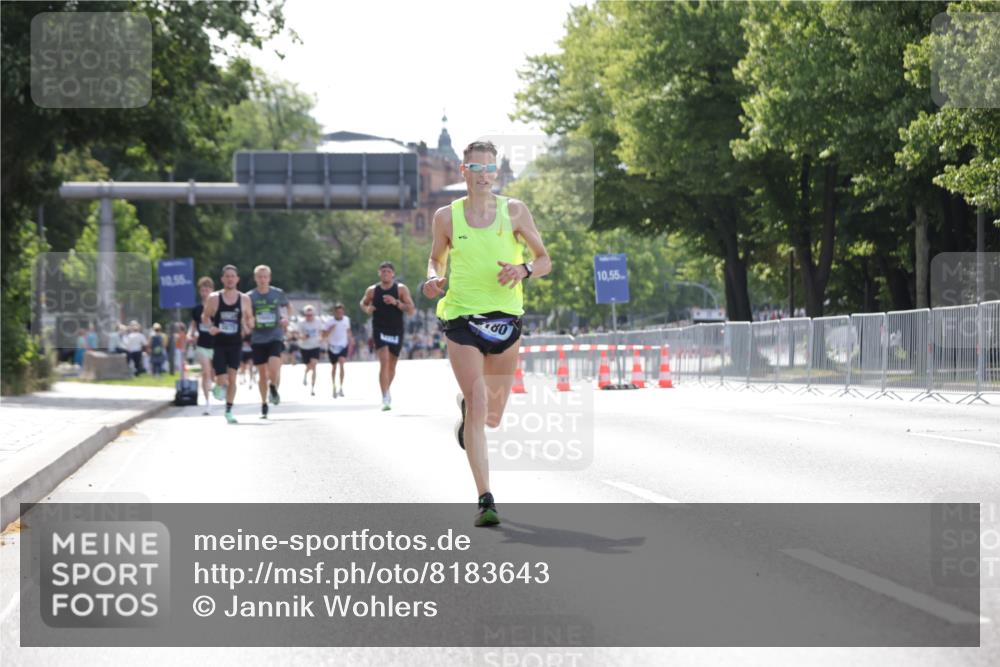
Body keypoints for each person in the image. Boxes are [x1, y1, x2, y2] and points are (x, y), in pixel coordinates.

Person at [423, 139, 551, 527]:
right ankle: (485, 499)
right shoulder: (446, 216)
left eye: (488, 168)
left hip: (505, 319)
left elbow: (544, 260)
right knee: (480, 403)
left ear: (496, 172)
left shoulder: (514, 211)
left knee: (492, 416)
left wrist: (523, 270)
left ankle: (468, 409)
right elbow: (434, 257)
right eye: (474, 168)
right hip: (462, 317)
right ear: (463, 171)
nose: (482, 175)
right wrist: (432, 278)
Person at [360, 261, 415, 410]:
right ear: (379, 273)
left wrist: (396, 302)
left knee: (392, 364)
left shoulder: (401, 289)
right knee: (384, 361)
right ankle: (385, 396)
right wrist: (367, 308)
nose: (385, 274)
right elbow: (363, 303)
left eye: (388, 271)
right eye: (383, 271)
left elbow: (411, 309)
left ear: (393, 274)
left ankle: (387, 389)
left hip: (396, 329)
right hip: (379, 328)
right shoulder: (372, 290)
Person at [202, 264, 254, 424]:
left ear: (237, 279)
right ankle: (218, 385)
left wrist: (248, 324)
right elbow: (205, 317)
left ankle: (229, 410)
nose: (230, 279)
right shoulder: (214, 298)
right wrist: (211, 327)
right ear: (222, 279)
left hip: (235, 343)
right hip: (219, 343)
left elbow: (250, 319)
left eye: (233, 276)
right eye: (227, 276)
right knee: (222, 379)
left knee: (233, 378)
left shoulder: (244, 299)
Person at [247, 264, 292, 419]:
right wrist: (249, 321)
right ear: (255, 278)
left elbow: (288, 307)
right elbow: (246, 314)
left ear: (269, 278)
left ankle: (273, 386)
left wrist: (287, 318)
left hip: (275, 335)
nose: (262, 279)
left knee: (274, 367)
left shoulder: (277, 293)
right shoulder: (250, 296)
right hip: (258, 337)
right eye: (260, 277)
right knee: (262, 374)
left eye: (265, 276)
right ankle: (264, 404)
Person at [190, 276, 216, 414]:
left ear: (212, 291)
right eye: (203, 290)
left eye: (207, 290)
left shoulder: (216, 308)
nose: (205, 292)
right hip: (202, 345)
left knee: (215, 374)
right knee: (206, 372)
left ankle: (216, 388)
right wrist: (191, 334)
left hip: (217, 345)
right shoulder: (197, 309)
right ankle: (207, 403)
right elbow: (194, 325)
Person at [322, 302, 354, 398]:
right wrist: (330, 329)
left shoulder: (346, 320)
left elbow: (348, 330)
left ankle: (341, 387)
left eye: (341, 312)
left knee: (342, 364)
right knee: (334, 367)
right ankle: (334, 386)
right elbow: (323, 335)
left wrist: (351, 339)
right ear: (334, 312)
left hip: (343, 345)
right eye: (337, 312)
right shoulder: (329, 321)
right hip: (332, 346)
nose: (340, 314)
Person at [297, 305, 324, 396]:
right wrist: (302, 337)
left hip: (315, 345)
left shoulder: (318, 321)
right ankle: (305, 374)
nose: (309, 317)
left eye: (311, 315)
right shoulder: (301, 322)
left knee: (314, 365)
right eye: (307, 315)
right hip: (304, 347)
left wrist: (322, 338)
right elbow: (297, 334)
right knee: (309, 366)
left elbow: (322, 332)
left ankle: (312, 388)